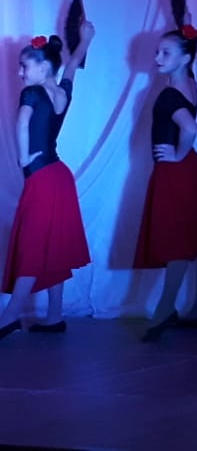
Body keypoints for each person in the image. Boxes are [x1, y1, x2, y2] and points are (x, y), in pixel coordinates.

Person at [134, 17, 197, 341]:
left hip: (176, 172)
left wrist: (177, 155)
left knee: (179, 241)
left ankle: (165, 309)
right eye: (158, 52)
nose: (157, 57)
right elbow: (189, 125)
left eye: (165, 53)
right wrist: (186, 22)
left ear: (186, 57)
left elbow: (190, 128)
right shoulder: (190, 82)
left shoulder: (169, 94)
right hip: (193, 170)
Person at [0, 22, 94, 340]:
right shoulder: (62, 92)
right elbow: (72, 66)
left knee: (32, 245)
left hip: (41, 179)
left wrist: (23, 157)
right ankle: (54, 316)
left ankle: (10, 315)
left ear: (43, 67)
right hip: (60, 177)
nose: (20, 73)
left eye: (24, 66)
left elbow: (22, 122)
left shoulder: (32, 92)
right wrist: (85, 41)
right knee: (52, 246)